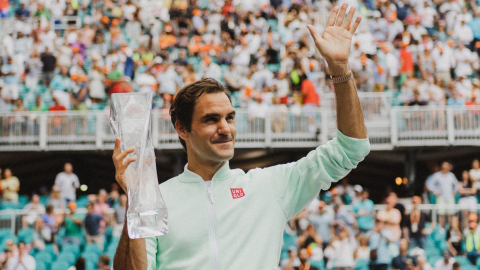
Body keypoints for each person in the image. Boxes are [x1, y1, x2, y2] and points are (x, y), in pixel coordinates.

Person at [112, 5, 369, 269]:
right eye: (211, 119)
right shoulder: (158, 199)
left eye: (230, 117)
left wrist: (339, 68)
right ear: (182, 129)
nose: (225, 128)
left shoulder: (270, 187)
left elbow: (351, 149)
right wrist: (137, 195)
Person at [429, 161, 459, 228]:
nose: (445, 169)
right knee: (441, 214)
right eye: (443, 167)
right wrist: (435, 191)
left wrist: (454, 191)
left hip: (450, 197)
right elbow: (430, 184)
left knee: (450, 214)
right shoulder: (437, 175)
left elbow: (456, 184)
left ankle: (450, 229)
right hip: (441, 198)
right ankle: (441, 229)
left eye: (446, 167)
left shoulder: (451, 175)